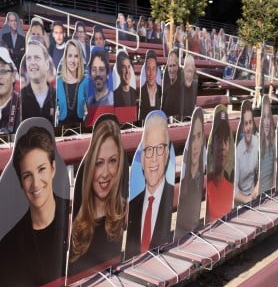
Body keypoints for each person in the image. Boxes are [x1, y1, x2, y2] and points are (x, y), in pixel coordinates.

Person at [0, 125, 68, 287]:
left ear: (53, 168)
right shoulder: (9, 246)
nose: (35, 183)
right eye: (27, 175)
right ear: (20, 182)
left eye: (42, 169)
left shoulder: (74, 218)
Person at [69, 117, 125, 277]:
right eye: (99, 163)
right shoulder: (76, 229)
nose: (106, 173)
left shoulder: (121, 212)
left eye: (112, 161)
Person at [126, 111, 174, 257]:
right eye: (148, 150)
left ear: (166, 155)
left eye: (159, 149)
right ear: (142, 159)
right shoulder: (133, 201)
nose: (153, 158)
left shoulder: (169, 195)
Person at [176, 108, 205, 237]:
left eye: (199, 136)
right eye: (192, 138)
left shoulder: (201, 175)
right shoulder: (184, 181)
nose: (195, 145)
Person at [205, 108, 235, 222]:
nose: (222, 147)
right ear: (212, 147)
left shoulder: (231, 187)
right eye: (218, 140)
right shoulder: (205, 182)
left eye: (226, 141)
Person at [20, 39, 56, 125]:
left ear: (47, 64)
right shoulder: (19, 99)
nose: (32, 62)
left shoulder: (57, 97)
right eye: (29, 58)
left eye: (37, 57)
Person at [56, 40, 88, 125]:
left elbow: (92, 112)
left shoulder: (85, 82)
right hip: (61, 133)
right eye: (70, 56)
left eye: (76, 56)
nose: (73, 60)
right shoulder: (57, 83)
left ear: (80, 59)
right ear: (65, 57)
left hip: (81, 133)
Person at [234, 100, 259, 205]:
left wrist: (258, 186)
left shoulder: (256, 141)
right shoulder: (237, 152)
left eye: (250, 123)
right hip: (240, 203)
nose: (248, 127)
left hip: (254, 197)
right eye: (245, 124)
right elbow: (233, 190)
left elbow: (263, 169)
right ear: (242, 128)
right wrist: (248, 199)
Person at [259, 96, 276, 193]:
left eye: (268, 117)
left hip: (270, 192)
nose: (266, 123)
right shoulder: (257, 143)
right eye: (264, 117)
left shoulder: (273, 143)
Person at [139, 50, 162, 120]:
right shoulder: (142, 91)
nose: (151, 73)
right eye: (148, 68)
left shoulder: (161, 90)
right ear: (145, 70)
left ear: (157, 71)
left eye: (153, 69)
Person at [161, 49, 181, 120]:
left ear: (178, 66)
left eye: (174, 66)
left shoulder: (182, 83)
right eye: (170, 66)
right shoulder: (165, 79)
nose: (171, 70)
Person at [180, 53, 198, 118]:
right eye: (188, 71)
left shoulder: (195, 84)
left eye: (191, 71)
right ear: (183, 70)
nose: (190, 75)